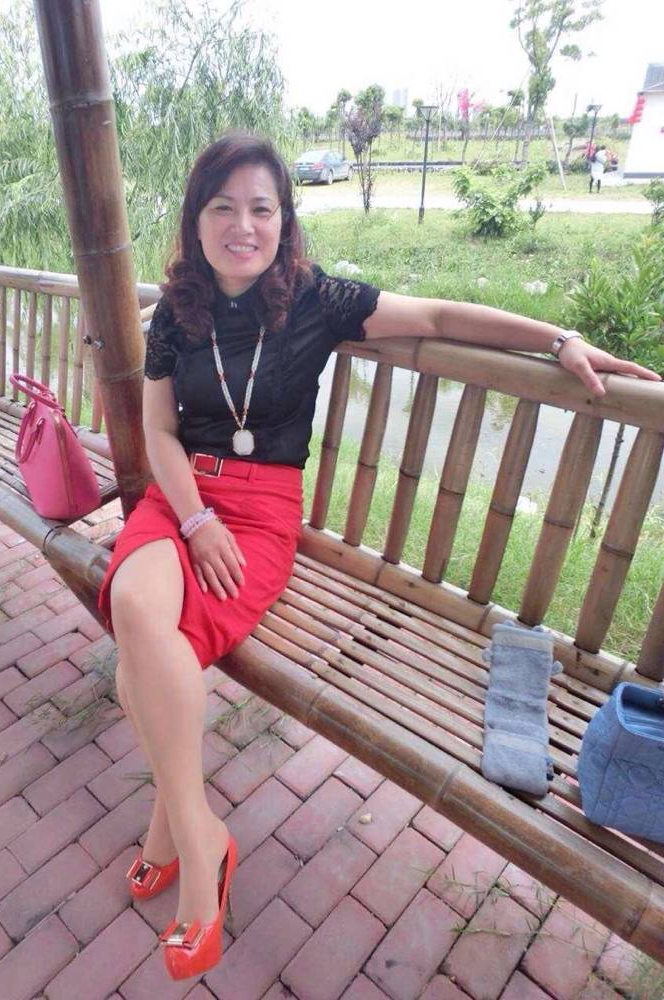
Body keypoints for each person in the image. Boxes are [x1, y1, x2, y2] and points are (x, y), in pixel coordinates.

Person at [98, 133, 661, 982]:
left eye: (261, 208)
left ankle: (179, 842)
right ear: (196, 219)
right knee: (135, 612)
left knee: (140, 658)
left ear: (284, 220)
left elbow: (435, 317)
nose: (243, 225)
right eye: (223, 207)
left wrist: (558, 339)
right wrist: (192, 519)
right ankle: (198, 835)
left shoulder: (313, 300)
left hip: (259, 512)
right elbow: (159, 430)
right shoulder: (177, 312)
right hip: (182, 504)